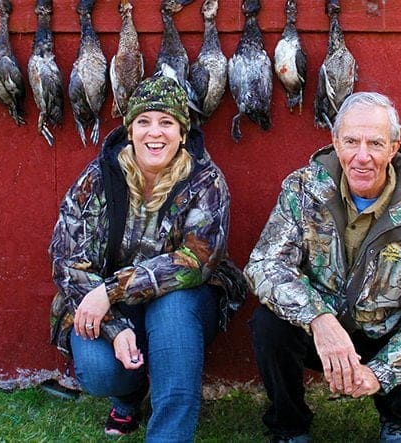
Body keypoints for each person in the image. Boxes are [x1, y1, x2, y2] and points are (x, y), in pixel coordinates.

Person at [245, 92, 401, 443]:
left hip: (383, 338)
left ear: (394, 148)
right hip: (319, 334)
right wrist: (319, 320)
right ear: (335, 142)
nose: (362, 157)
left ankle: (396, 420)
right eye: (351, 141)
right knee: (269, 325)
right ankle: (289, 426)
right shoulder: (303, 190)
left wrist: (379, 373)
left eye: (375, 143)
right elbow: (264, 263)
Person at [48, 74, 246, 442]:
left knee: (172, 308)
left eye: (167, 122)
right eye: (144, 121)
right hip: (114, 305)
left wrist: (111, 290)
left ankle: (168, 434)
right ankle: (128, 395)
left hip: (181, 304)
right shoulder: (98, 178)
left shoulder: (205, 182)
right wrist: (113, 324)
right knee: (97, 370)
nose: (155, 133)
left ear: (182, 133)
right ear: (130, 130)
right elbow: (66, 258)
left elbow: (195, 261)